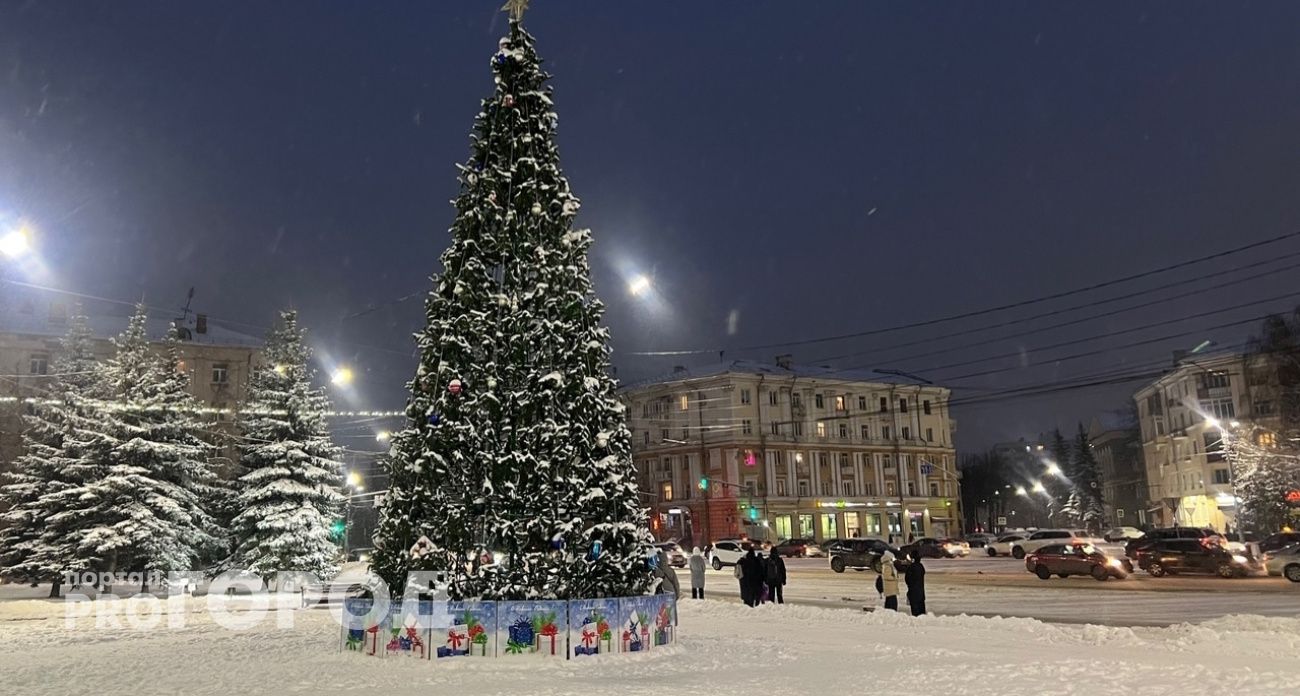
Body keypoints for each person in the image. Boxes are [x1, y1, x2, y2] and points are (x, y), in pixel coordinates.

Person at [905, 548, 926, 616]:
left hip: (913, 592)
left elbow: (907, 579)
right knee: (921, 610)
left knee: (915, 611)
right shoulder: (921, 566)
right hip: (921, 592)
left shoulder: (911, 567)